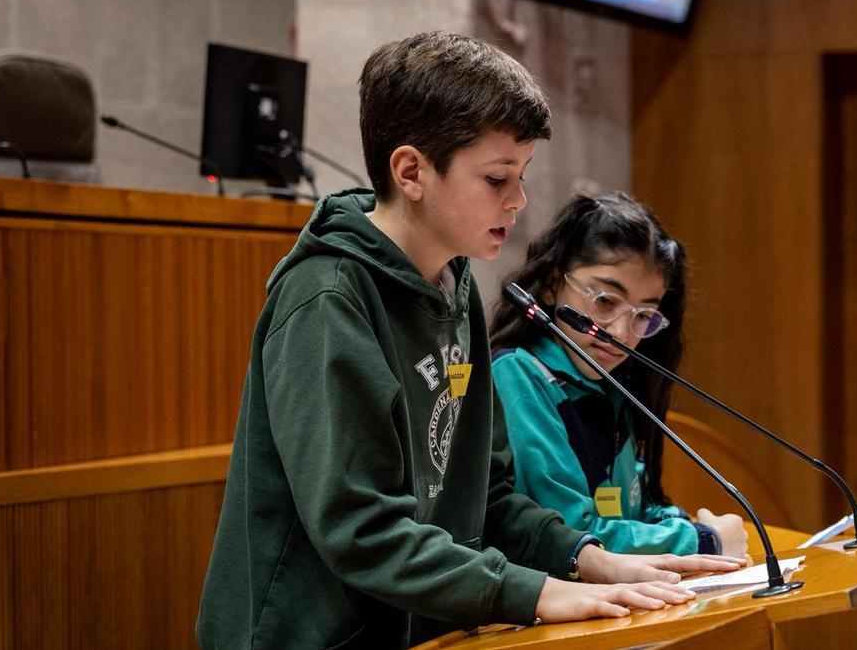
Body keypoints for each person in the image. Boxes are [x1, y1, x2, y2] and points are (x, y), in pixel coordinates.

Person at [195, 32, 742, 650]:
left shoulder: (453, 284)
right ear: (411, 172)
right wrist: (532, 592)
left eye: (523, 174)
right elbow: (362, 529)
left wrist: (587, 559)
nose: (519, 200)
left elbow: (488, 495)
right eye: (497, 178)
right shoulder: (327, 298)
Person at [489, 191, 751, 559]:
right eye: (606, 302)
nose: (622, 334)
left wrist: (682, 521)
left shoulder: (610, 381)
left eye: (644, 315)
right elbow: (573, 535)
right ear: (551, 285)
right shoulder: (519, 375)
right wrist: (700, 540)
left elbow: (633, 509)